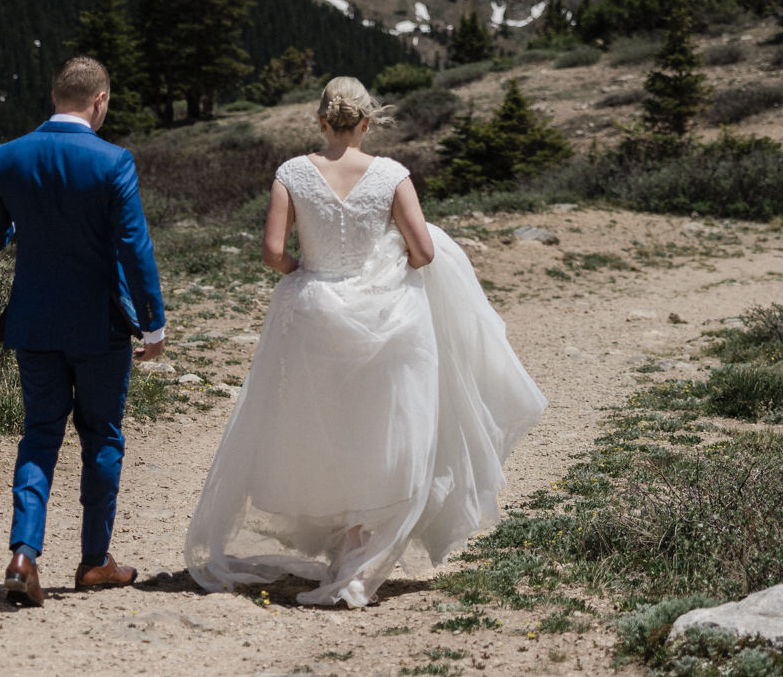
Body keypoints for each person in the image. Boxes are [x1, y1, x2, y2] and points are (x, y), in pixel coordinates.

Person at [184, 76, 546, 607]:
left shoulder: (292, 173)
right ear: (367, 122)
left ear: (321, 121)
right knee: (382, 427)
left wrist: (303, 269)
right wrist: (388, 255)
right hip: (386, 314)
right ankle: (360, 551)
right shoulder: (392, 175)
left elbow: (271, 252)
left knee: (326, 425)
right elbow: (422, 252)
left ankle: (341, 544)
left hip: (314, 310)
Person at [0, 55, 167, 607]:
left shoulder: (9, 157)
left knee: (40, 433)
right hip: (99, 325)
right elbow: (133, 247)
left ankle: (23, 553)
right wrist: (152, 321)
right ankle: (93, 561)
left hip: (33, 321)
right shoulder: (113, 161)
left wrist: (18, 216)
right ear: (99, 101)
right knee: (101, 435)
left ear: (55, 96)